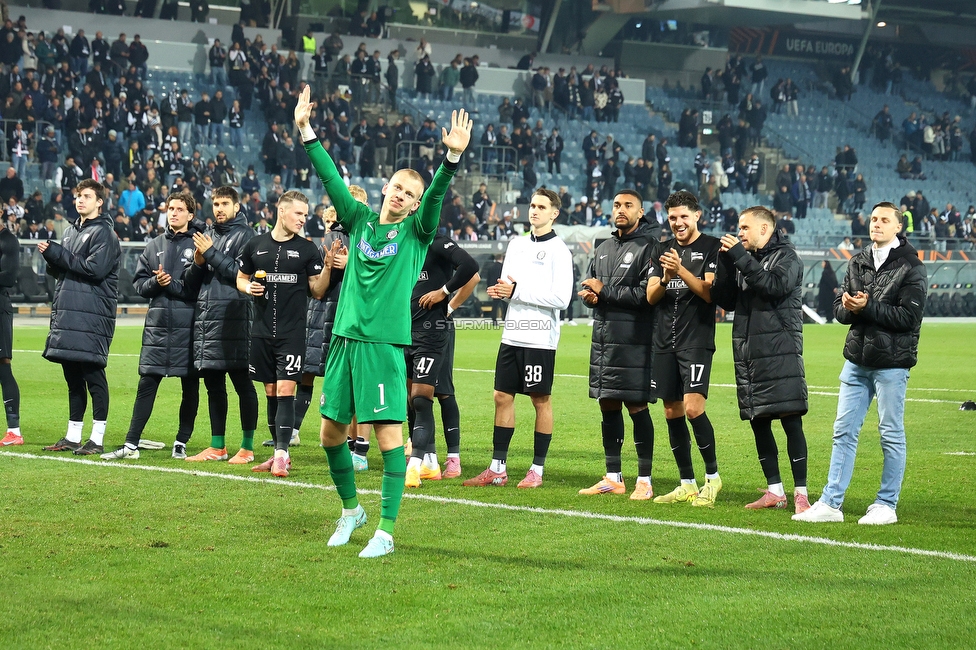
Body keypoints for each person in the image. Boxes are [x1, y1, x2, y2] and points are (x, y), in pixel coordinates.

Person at [297, 85, 472, 558]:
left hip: (382, 345)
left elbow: (436, 195)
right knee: (329, 434)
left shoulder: (417, 231)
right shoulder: (359, 222)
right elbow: (332, 180)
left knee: (389, 435)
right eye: (397, 187)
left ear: (415, 204)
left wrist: (449, 161)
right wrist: (307, 131)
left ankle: (386, 530)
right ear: (385, 190)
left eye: (409, 193)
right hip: (343, 340)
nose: (401, 195)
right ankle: (352, 510)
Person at [794, 203, 926, 526]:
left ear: (898, 227)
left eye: (884, 220)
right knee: (843, 431)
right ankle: (831, 502)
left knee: (890, 433)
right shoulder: (858, 261)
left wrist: (866, 308)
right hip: (856, 359)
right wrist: (850, 308)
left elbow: (908, 318)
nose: (876, 224)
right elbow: (838, 310)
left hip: (892, 364)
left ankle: (886, 504)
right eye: (873, 219)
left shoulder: (911, 266)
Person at [464, 189, 573, 489]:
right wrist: (501, 291)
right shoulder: (516, 244)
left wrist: (516, 292)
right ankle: (497, 468)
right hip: (512, 333)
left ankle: (536, 469)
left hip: (539, 337)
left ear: (554, 213)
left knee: (540, 401)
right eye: (533, 205)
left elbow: (562, 298)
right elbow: (509, 284)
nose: (534, 211)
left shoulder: (560, 251)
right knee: (501, 396)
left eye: (541, 207)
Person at [712, 206, 810, 513]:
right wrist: (726, 263)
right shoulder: (746, 260)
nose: (739, 232)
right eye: (738, 228)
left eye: (744, 227)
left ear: (764, 230)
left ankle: (802, 494)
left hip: (780, 353)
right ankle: (774, 490)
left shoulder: (788, 257)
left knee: (791, 422)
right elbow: (727, 301)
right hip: (750, 354)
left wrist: (740, 257)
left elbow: (773, 286)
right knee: (759, 422)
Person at [101, 192, 202, 459]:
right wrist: (156, 283)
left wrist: (173, 285)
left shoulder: (200, 244)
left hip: (189, 325)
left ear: (191, 215)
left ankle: (181, 441)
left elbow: (199, 288)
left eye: (180, 209)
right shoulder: (153, 244)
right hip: (157, 327)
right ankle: (131, 444)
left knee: (190, 385)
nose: (174, 213)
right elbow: (139, 286)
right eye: (171, 208)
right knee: (147, 383)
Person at [236, 190, 329, 476]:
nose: (303, 218)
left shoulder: (308, 249)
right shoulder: (255, 245)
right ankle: (279, 450)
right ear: (282, 211)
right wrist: (247, 287)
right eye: (299, 213)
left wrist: (327, 267)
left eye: (305, 213)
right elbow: (241, 278)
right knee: (271, 391)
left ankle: (281, 455)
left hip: (292, 333)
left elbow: (317, 291)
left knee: (287, 389)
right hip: (261, 332)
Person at [576, 190, 657, 499]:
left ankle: (645, 480)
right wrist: (591, 297)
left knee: (636, 406)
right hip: (604, 340)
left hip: (636, 340)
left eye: (628, 206)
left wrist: (604, 291)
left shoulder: (650, 247)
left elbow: (646, 297)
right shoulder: (604, 247)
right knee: (607, 404)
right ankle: (613, 477)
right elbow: (594, 286)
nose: (621, 210)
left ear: (641, 212)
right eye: (617, 205)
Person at [644, 190, 723, 507]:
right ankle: (687, 483)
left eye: (683, 217)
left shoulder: (712, 247)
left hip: (696, 341)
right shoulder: (661, 250)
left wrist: (681, 271)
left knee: (693, 408)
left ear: (697, 216)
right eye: (672, 217)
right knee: (671, 410)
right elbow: (651, 296)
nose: (677, 222)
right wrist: (665, 277)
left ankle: (713, 478)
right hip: (664, 342)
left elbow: (708, 293)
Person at [40, 180, 121, 455]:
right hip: (69, 311)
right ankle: (73, 436)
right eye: (78, 196)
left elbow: (93, 270)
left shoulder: (105, 234)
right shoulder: (71, 232)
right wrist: (53, 259)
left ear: (100, 201)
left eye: (86, 196)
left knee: (93, 374)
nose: (80, 200)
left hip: (92, 315)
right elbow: (65, 270)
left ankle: (96, 439)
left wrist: (58, 254)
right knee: (73, 377)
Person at [182, 186, 259, 461]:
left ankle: (247, 447)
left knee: (243, 384)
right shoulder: (208, 235)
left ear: (237, 207)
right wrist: (198, 261)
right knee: (213, 384)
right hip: (207, 317)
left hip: (235, 316)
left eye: (225, 203)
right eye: (215, 203)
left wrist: (211, 253)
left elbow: (241, 274)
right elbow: (192, 282)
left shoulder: (247, 236)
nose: (219, 209)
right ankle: (217, 446)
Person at [403, 234, 480, 487]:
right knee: (411, 397)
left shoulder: (437, 242)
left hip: (435, 330)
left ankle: (448, 457)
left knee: (440, 392)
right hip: (404, 331)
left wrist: (447, 299)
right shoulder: (403, 242)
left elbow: (473, 273)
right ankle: (428, 458)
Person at [0, 215, 21, 446]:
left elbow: (9, 276)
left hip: (0, 308)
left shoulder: (8, 241)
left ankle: (14, 431)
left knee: (3, 368)